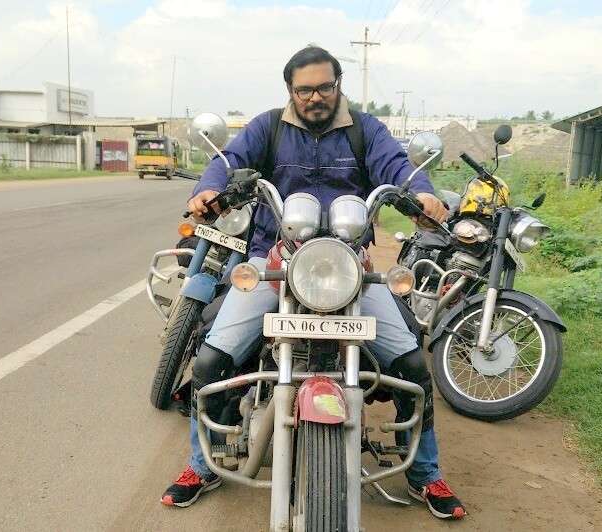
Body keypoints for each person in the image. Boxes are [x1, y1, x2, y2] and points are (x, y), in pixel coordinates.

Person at [161, 46, 466, 521]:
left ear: (338, 85)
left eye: (325, 86)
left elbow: (397, 169)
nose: (315, 96)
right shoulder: (268, 127)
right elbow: (231, 160)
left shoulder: (367, 131)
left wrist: (422, 194)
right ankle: (201, 465)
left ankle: (425, 472)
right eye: (304, 89)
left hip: (352, 270)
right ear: (291, 91)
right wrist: (208, 188)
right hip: (277, 262)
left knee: (411, 365)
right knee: (212, 360)